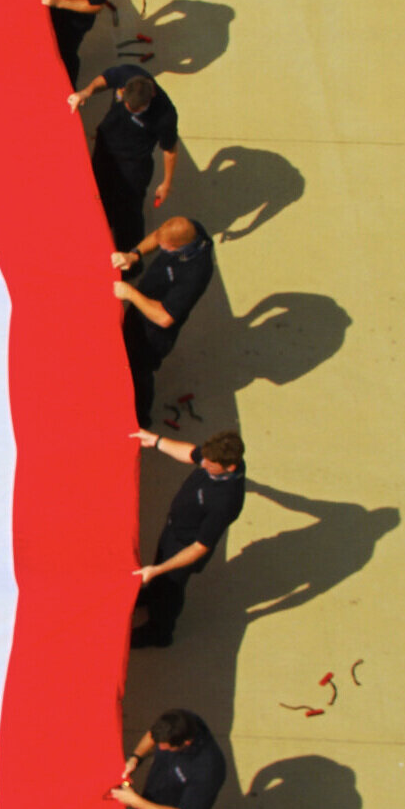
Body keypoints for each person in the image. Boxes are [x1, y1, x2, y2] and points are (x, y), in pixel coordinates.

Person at [131, 427, 245, 648]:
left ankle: (160, 632)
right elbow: (192, 453)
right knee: (160, 580)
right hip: (174, 530)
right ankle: (152, 593)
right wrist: (156, 441)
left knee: (170, 589)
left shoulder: (226, 501)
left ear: (229, 467)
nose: (202, 464)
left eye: (209, 464)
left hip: (186, 545)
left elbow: (200, 547)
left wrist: (158, 570)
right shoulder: (218, 458)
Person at [114, 217, 217, 424]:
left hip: (154, 333)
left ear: (179, 248)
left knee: (139, 371)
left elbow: (165, 318)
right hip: (144, 305)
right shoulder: (190, 230)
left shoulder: (195, 273)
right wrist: (134, 255)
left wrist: (131, 294)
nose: (160, 247)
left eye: (164, 247)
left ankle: (140, 417)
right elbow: (158, 236)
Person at [77, 64, 181, 251]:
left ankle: (130, 258)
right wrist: (86, 92)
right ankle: (99, 234)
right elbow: (106, 78)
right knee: (98, 194)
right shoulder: (129, 74)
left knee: (128, 213)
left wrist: (166, 183)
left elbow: (170, 150)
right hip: (106, 149)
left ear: (150, 99)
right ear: (124, 89)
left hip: (134, 165)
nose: (129, 109)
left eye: (136, 110)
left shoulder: (165, 115)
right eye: (125, 103)